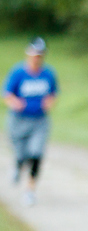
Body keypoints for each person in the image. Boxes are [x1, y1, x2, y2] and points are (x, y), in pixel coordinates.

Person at [5, 37, 57, 207]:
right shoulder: (18, 72)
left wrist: (49, 102)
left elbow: (53, 93)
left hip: (39, 121)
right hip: (19, 120)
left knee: (36, 154)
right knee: (21, 154)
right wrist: (15, 103)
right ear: (28, 54)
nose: (37, 57)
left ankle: (30, 190)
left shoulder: (48, 74)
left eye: (40, 54)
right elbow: (7, 93)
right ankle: (18, 166)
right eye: (34, 54)